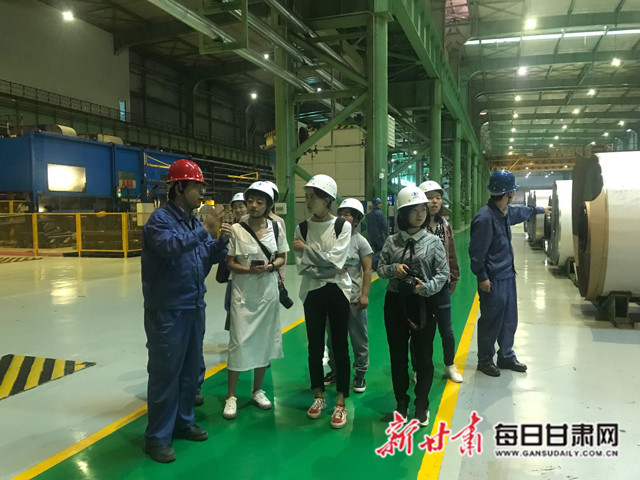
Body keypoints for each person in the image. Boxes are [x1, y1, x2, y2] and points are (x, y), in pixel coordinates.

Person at [141, 159, 231, 464]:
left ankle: (182, 422)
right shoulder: (160, 221)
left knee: (190, 371)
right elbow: (171, 247)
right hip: (168, 310)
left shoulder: (192, 222)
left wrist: (220, 242)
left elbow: (203, 259)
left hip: (193, 306)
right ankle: (157, 438)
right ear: (179, 188)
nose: (202, 192)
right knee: (165, 374)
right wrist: (206, 228)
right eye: (196, 186)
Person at [377, 185, 449, 427]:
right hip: (395, 303)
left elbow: (443, 273)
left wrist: (424, 288)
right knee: (398, 357)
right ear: (402, 214)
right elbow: (380, 268)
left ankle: (422, 404)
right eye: (414, 210)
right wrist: (393, 269)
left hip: (423, 305)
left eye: (423, 210)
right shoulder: (391, 242)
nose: (420, 214)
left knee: (424, 356)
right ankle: (401, 402)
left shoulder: (434, 242)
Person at [469, 169, 550, 377]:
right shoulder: (485, 218)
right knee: (491, 321)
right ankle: (485, 360)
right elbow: (476, 254)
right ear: (508, 194)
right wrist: (482, 277)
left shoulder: (503, 212)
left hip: (508, 275)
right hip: (493, 279)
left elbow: (519, 212)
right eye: (512, 192)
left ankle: (505, 356)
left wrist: (540, 209)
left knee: (508, 319)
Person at [223, 181, 289, 419]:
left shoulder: (277, 228)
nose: (253, 205)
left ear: (268, 205)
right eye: (250, 201)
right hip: (243, 295)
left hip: (267, 294)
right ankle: (231, 396)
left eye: (259, 202)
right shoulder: (237, 229)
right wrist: (248, 270)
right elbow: (229, 262)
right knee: (238, 343)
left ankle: (257, 390)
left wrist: (270, 266)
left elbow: (282, 257)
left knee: (263, 343)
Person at [293, 174, 352, 429]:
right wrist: (326, 264)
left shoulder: (342, 226)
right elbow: (304, 269)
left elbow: (337, 262)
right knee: (314, 346)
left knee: (340, 345)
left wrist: (308, 250)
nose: (308, 202)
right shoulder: (301, 228)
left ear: (327, 200)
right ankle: (318, 394)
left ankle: (341, 399)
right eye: (306, 197)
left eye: (313, 197)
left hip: (338, 291)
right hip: (312, 292)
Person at [195, 192, 247, 407]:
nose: (240, 210)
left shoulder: (261, 226)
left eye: (242, 206)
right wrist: (221, 238)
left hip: (248, 278)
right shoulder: (165, 222)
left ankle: (193, 387)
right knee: (230, 309)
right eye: (236, 207)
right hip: (230, 278)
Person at [415, 180, 463, 383]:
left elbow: (450, 251)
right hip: (421, 285)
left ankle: (449, 365)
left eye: (438, 197)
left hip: (441, 285)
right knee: (421, 331)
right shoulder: (416, 226)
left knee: (447, 330)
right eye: (430, 198)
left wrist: (454, 275)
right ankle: (418, 368)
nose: (434, 201)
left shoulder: (445, 225)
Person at [323, 198, 373, 393]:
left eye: (348, 214)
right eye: (341, 213)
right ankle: (335, 370)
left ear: (357, 220)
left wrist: (364, 295)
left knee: (358, 339)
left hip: (353, 300)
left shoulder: (360, 242)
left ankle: (360, 373)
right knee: (333, 339)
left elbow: (367, 270)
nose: (343, 217)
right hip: (332, 298)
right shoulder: (331, 239)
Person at [366, 197, 388, 269]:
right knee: (381, 250)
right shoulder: (379, 213)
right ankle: (372, 262)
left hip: (371, 236)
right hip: (379, 236)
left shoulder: (369, 215)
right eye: (380, 203)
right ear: (378, 204)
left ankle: (375, 265)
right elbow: (384, 225)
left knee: (375, 250)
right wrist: (386, 234)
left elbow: (368, 226)